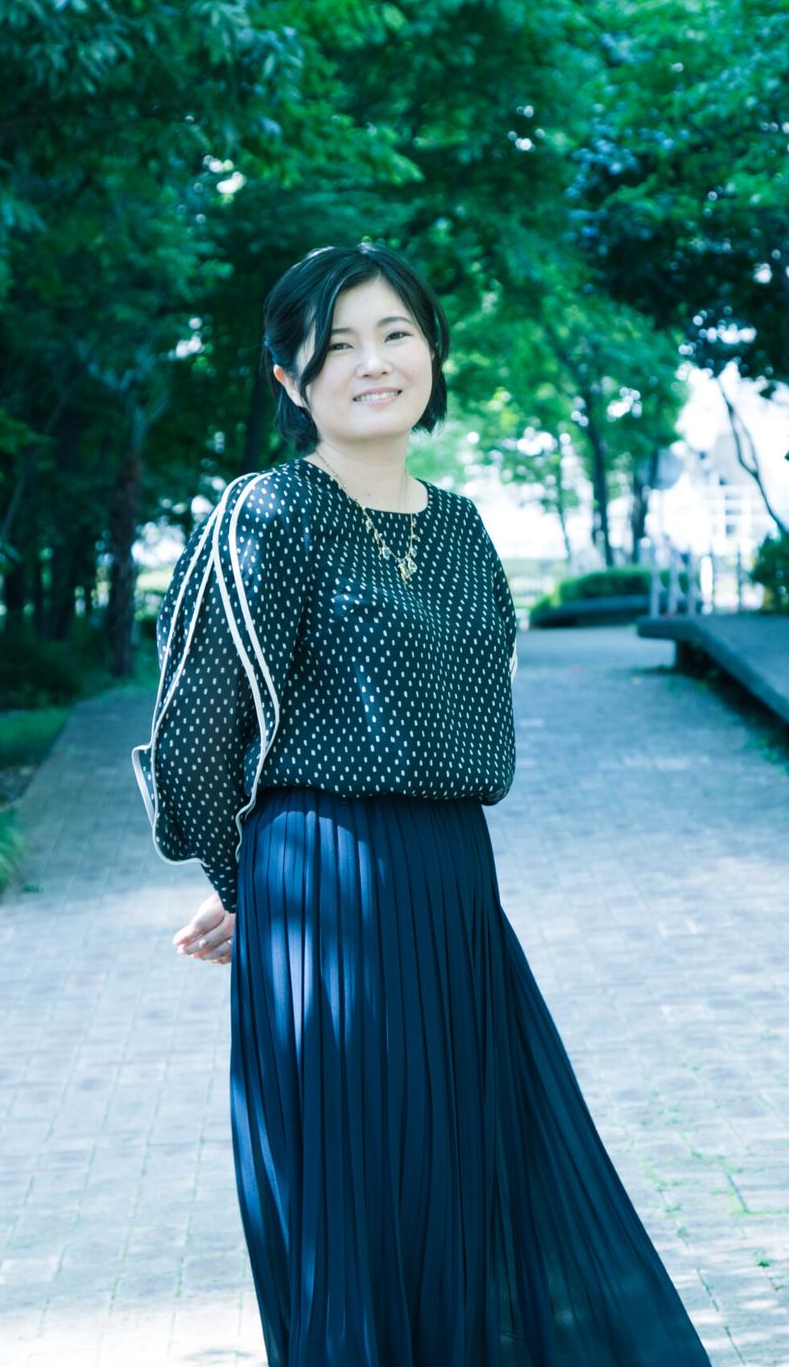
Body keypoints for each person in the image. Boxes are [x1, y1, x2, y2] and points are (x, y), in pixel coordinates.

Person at [131, 242, 712, 1366]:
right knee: (358, 1198)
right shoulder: (266, 514)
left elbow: (475, 719)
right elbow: (197, 733)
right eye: (338, 344)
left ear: (434, 355)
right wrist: (252, 889)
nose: (374, 363)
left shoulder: (461, 526)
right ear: (291, 377)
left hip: (454, 890)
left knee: (477, 1181)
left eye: (396, 334)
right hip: (322, 898)